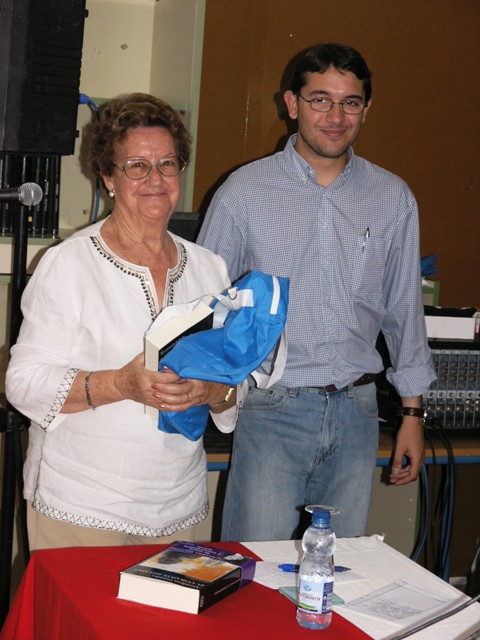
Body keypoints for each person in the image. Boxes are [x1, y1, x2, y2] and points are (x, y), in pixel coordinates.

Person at [198, 43, 437, 540]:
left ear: (366, 109)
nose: (335, 116)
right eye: (320, 99)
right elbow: (204, 303)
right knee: (258, 566)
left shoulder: (392, 197)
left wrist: (412, 414)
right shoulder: (243, 193)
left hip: (358, 412)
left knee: (338, 569)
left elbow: (403, 311)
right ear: (292, 104)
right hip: (272, 409)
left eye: (350, 102)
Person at [5, 93, 237, 550]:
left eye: (167, 164)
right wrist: (122, 384)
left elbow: (234, 381)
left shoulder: (210, 269)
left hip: (177, 506)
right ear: (108, 178)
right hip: (83, 507)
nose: (155, 179)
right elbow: (24, 383)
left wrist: (212, 392)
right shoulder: (69, 264)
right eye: (137, 166)